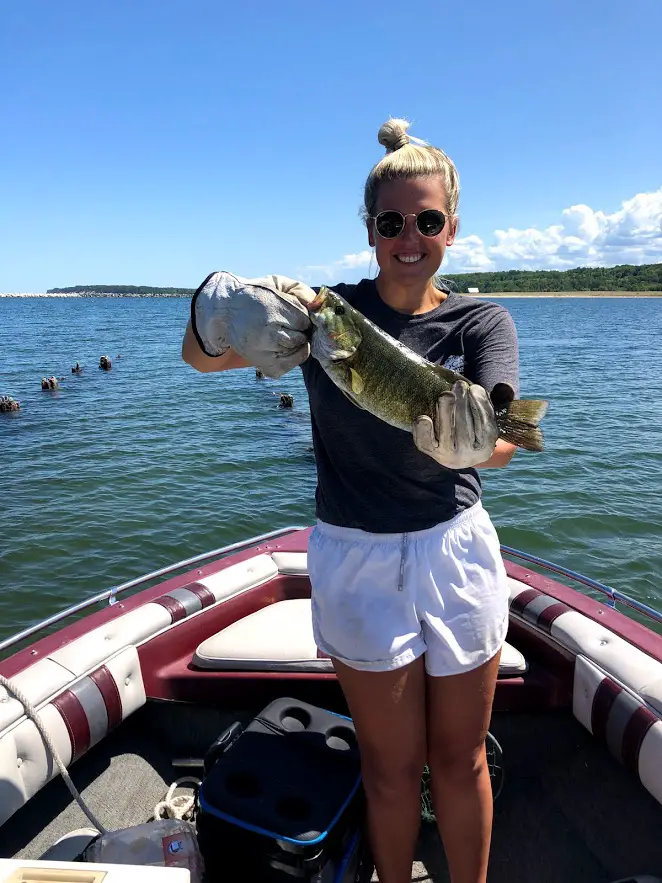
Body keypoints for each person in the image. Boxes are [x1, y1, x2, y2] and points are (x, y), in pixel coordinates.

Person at [181, 118, 521, 883]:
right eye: (392, 222)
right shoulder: (326, 318)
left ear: (452, 228)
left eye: (427, 221)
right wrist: (220, 308)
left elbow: (502, 438)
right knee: (391, 767)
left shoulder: (481, 321)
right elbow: (202, 361)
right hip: (356, 555)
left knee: (461, 758)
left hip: (454, 550)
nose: (410, 237)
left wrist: (475, 444)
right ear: (369, 229)